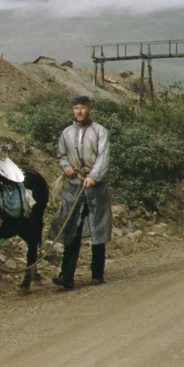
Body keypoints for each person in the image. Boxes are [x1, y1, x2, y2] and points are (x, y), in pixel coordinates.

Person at [52, 95, 112, 289]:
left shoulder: (100, 131)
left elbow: (103, 157)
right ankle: (67, 276)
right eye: (76, 108)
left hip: (96, 187)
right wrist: (66, 167)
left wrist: (94, 176)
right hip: (74, 184)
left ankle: (97, 273)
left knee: (97, 228)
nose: (79, 112)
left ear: (89, 110)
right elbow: (61, 155)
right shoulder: (66, 133)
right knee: (71, 228)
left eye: (83, 108)